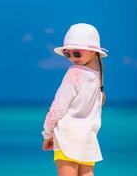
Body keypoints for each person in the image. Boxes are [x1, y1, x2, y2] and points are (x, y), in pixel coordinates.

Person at [41, 23, 109, 176]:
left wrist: (47, 134)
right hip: (88, 141)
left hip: (67, 138)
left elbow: (58, 107)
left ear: (93, 52)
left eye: (76, 53)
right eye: (67, 54)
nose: (72, 58)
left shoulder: (74, 73)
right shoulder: (98, 79)